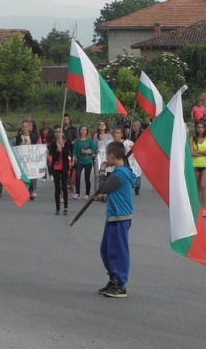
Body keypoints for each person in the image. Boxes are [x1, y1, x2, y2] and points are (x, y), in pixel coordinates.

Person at [91, 141, 136, 298]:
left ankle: (120, 283)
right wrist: (102, 198)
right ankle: (113, 279)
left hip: (120, 217)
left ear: (111, 155)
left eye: (106, 156)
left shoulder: (120, 173)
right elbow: (114, 194)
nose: (105, 159)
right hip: (113, 215)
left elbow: (105, 187)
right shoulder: (119, 172)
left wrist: (101, 171)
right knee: (106, 250)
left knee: (117, 251)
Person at [14, 119, 41, 201]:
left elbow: (36, 147)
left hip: (30, 160)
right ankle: (22, 191)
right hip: (22, 160)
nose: (25, 128)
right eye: (23, 126)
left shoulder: (33, 136)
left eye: (26, 126)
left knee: (31, 175)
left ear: (29, 127)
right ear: (21, 128)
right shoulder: (18, 138)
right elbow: (15, 148)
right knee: (21, 176)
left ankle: (31, 191)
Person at [190, 122, 206, 218]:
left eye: (202, 127)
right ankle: (199, 207)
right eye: (198, 127)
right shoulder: (192, 139)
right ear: (196, 129)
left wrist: (197, 152)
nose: (200, 129)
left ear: (204, 129)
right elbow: (191, 153)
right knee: (198, 186)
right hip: (195, 164)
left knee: (203, 185)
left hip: (205, 164)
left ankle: (204, 207)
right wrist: (203, 153)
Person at [48, 126, 71, 215]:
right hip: (56, 167)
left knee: (64, 187)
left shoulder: (67, 143)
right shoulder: (53, 144)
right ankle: (57, 208)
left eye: (59, 132)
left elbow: (66, 155)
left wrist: (63, 147)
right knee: (57, 188)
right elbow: (53, 156)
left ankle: (65, 207)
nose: (57, 133)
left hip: (64, 167)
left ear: (62, 133)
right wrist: (57, 150)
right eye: (56, 132)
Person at [72, 125, 97, 200]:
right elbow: (74, 151)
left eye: (84, 130)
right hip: (79, 161)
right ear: (79, 131)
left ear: (87, 131)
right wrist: (73, 160)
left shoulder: (89, 140)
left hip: (88, 161)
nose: (83, 131)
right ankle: (77, 193)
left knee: (87, 177)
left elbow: (93, 149)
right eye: (82, 130)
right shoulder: (77, 141)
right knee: (78, 176)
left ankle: (87, 193)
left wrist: (87, 152)